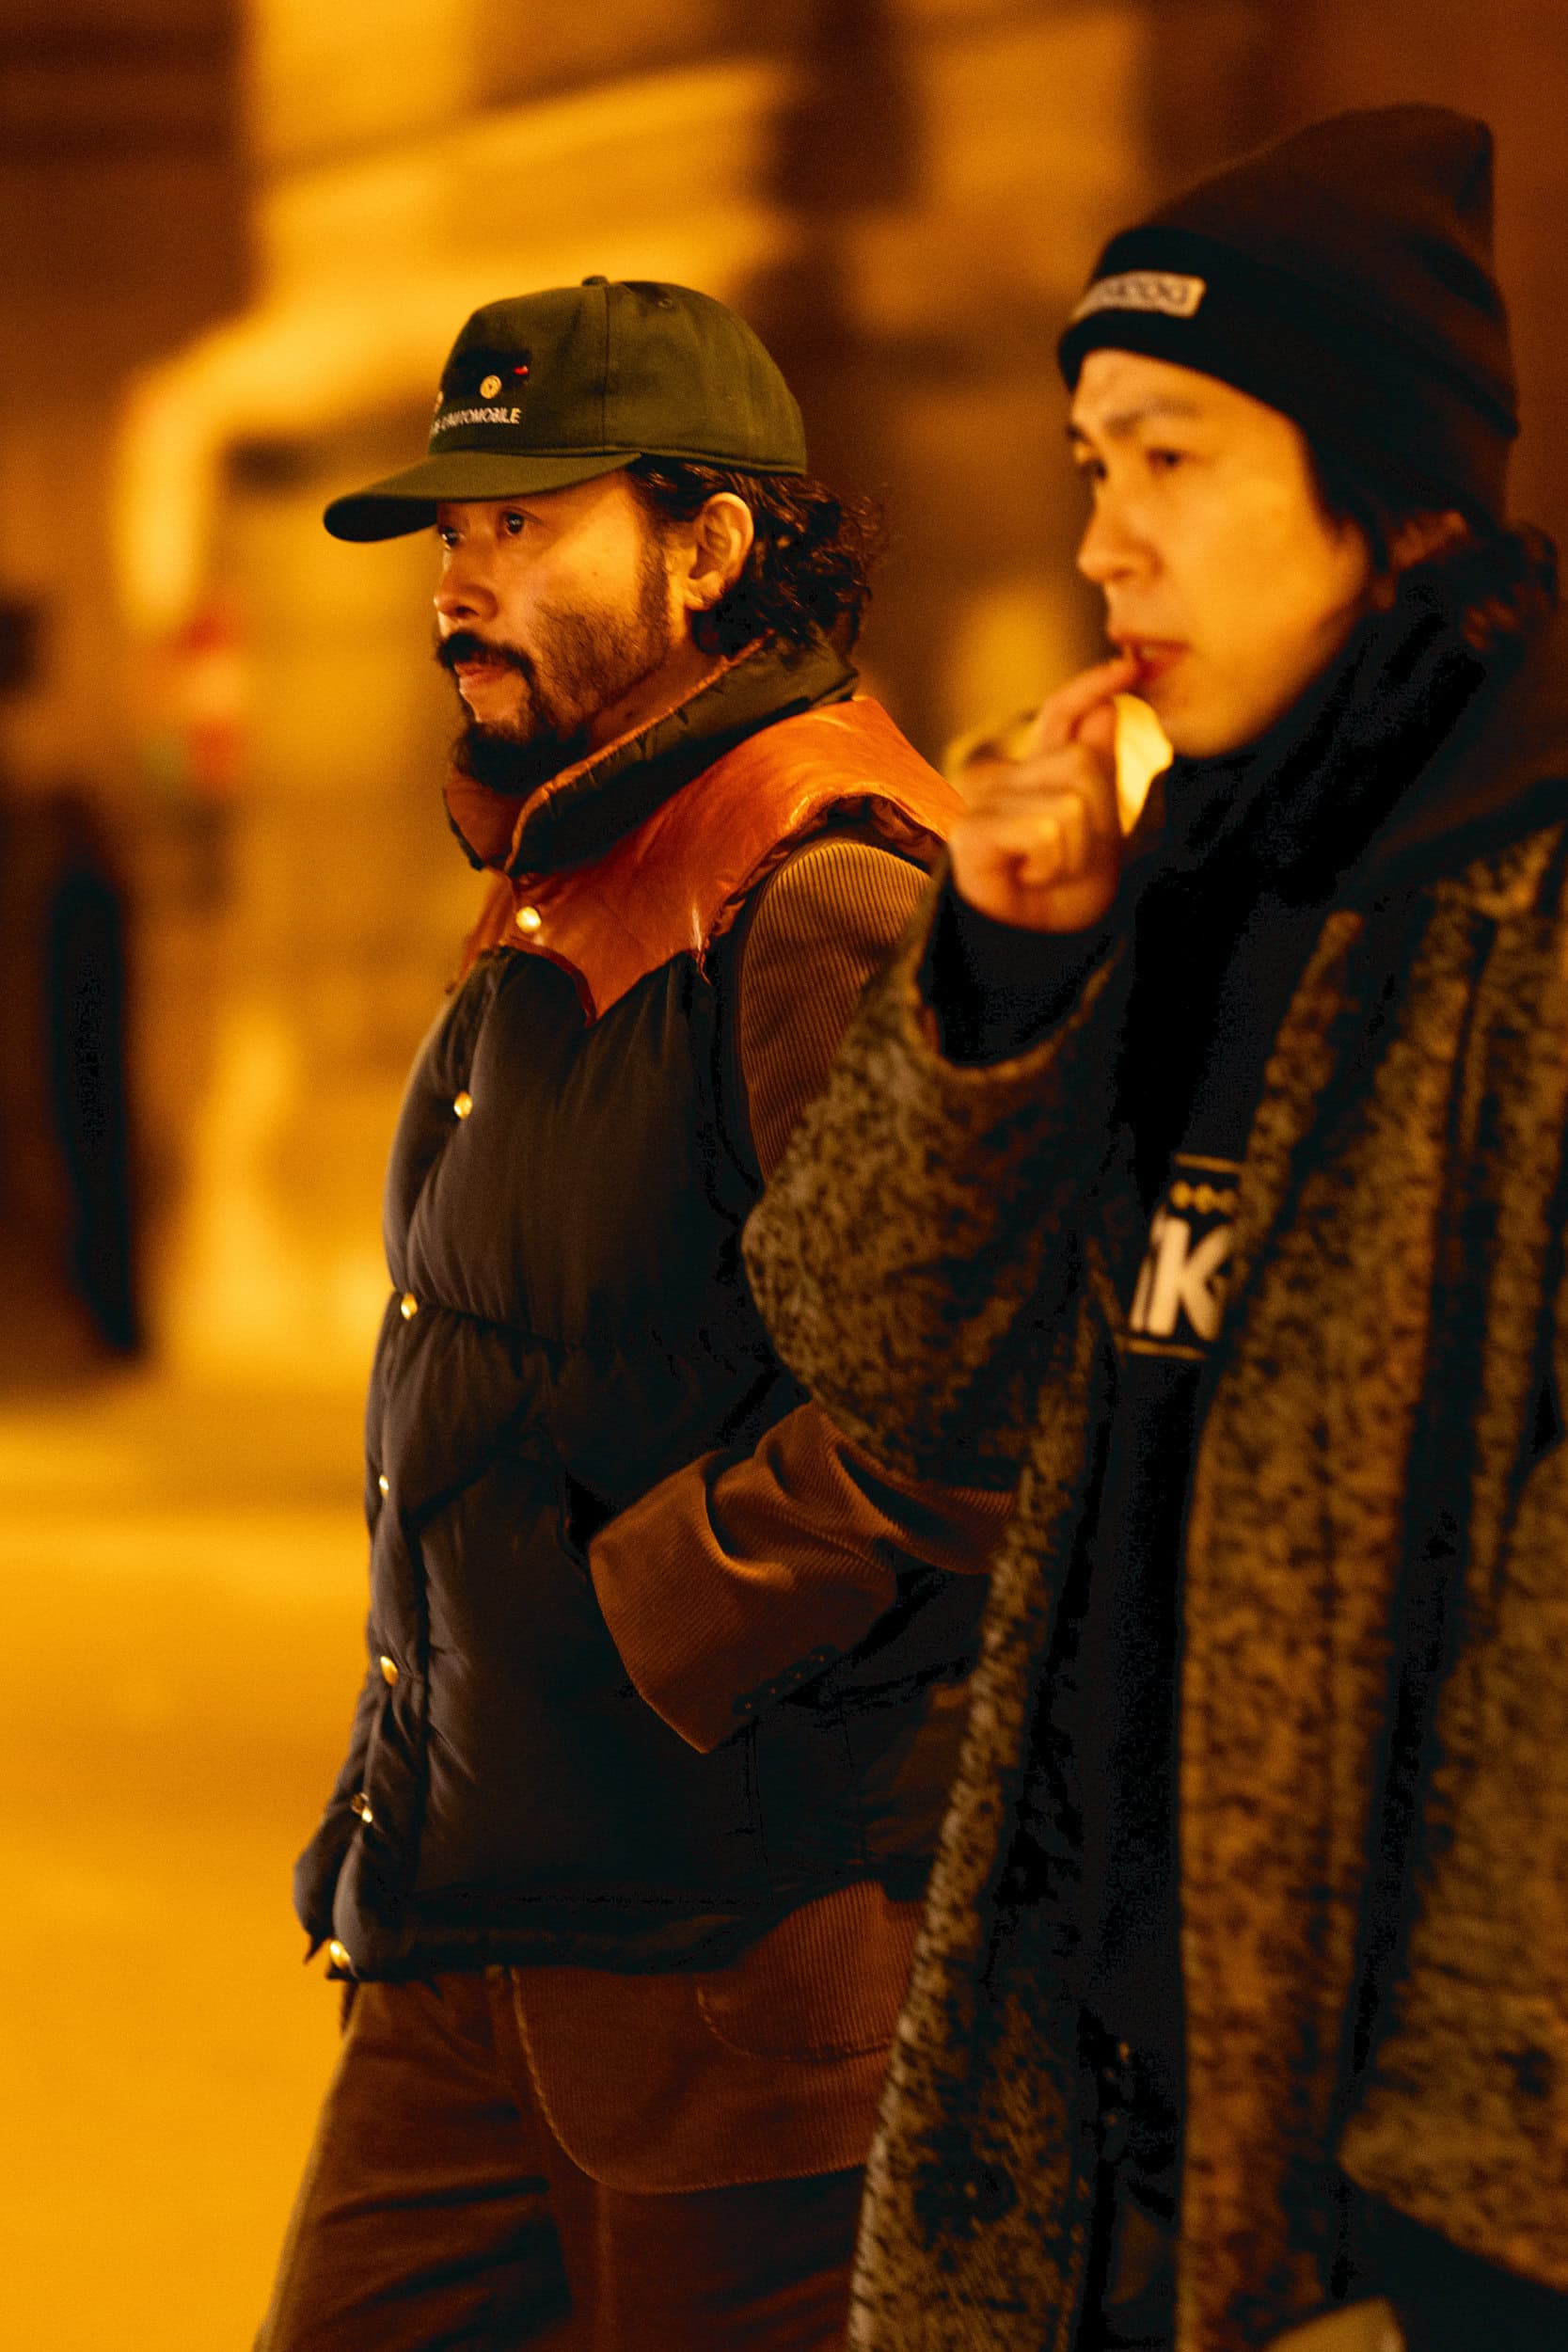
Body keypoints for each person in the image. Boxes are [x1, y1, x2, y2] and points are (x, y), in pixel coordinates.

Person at [743, 108, 1568, 2352]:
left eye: (1174, 459)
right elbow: (875, 1351)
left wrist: (1466, 2246)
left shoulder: (1521, 907)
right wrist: (1002, 982)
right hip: (1088, 2114)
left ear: (1395, 496)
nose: (1104, 539)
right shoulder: (1175, 873)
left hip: (1383, 2191)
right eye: (1090, 461)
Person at [258, 277, 1009, 2352]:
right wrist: (407, 1771)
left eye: (524, 523)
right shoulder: (575, 863)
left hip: (732, 1975)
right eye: (452, 531)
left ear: (711, 544)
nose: (459, 583)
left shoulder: (821, 888)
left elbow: (972, 1400)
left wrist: (653, 1619)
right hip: (474, 1938)